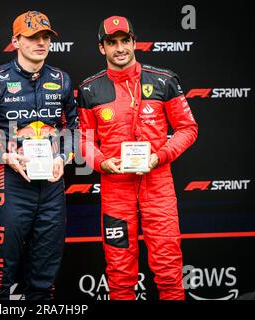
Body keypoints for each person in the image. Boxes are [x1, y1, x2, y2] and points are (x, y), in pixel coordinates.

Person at [78, 15, 198, 300]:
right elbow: (82, 139)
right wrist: (101, 162)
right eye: (112, 43)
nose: (119, 48)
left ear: (134, 42)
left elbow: (187, 128)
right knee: (119, 272)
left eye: (124, 41)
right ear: (101, 48)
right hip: (115, 188)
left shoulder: (164, 80)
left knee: (169, 268)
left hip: (158, 184)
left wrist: (162, 155)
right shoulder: (89, 89)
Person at [0, 11, 78, 300]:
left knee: (45, 276)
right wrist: (4, 157)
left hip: (52, 185)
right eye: (32, 37)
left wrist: (64, 157)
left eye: (45, 37)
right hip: (11, 184)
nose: (40, 43)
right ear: (15, 41)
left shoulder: (62, 79)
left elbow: (76, 127)